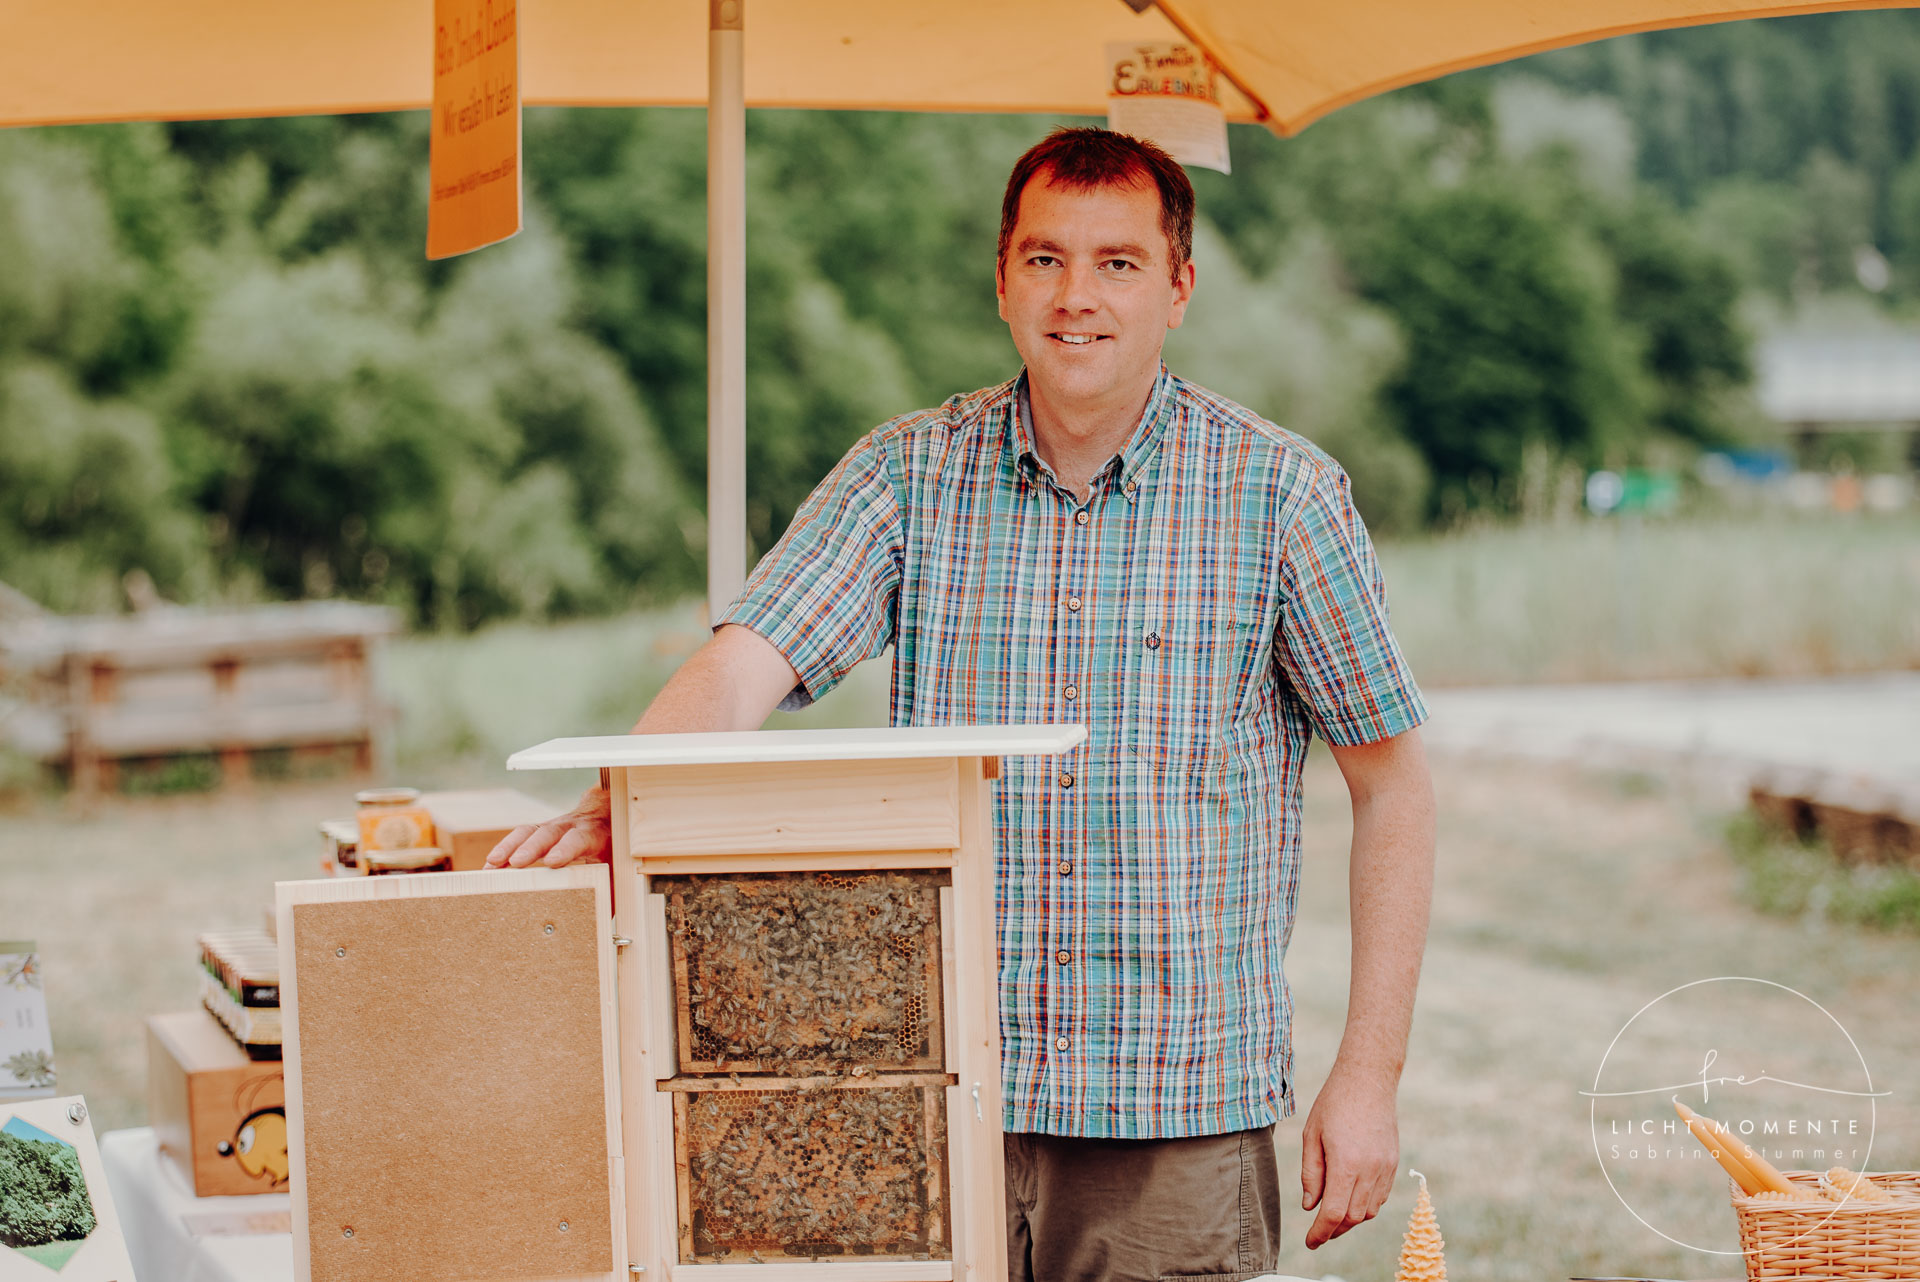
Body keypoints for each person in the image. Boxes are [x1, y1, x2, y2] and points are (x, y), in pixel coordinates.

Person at [488, 126, 1436, 1282]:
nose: (1076, 295)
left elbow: (1392, 787)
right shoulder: (908, 474)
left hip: (1177, 1115)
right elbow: (745, 661)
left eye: (1118, 263)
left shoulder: (1283, 494)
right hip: (933, 1096)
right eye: (1044, 258)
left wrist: (1369, 1074)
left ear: (1179, 287)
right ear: (1001, 280)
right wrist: (624, 801)